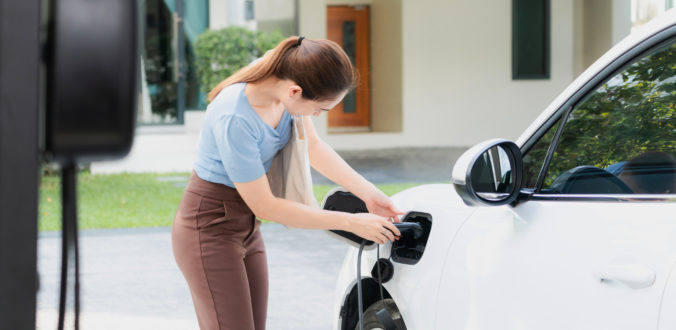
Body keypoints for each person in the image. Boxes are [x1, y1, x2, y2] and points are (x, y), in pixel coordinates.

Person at [171, 36, 403, 330]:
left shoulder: (284, 82)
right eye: (320, 109)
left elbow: (314, 148)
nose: (317, 115)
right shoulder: (235, 117)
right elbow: (266, 206)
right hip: (208, 228)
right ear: (295, 91)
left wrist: (370, 194)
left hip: (246, 226)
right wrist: (352, 222)